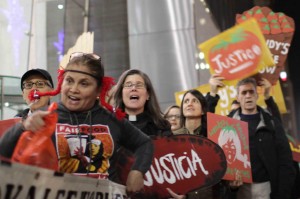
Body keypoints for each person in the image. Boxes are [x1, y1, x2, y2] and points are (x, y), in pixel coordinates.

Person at [0, 52, 154, 196]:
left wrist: (138, 171)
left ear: (98, 89)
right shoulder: (46, 117)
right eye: (69, 81)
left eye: (84, 84)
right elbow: (3, 152)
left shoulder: (112, 119)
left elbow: (144, 143)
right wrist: (22, 127)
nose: (74, 89)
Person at [228, 77, 295, 199]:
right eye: (243, 92)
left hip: (266, 187)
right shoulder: (226, 125)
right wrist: (212, 94)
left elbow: (285, 160)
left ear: (257, 95)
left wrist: (282, 193)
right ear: (237, 97)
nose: (248, 95)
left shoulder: (272, 123)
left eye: (251, 91)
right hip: (239, 188)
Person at [114, 69, 172, 136]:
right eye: (128, 85)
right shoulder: (109, 124)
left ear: (148, 95)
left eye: (139, 85)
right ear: (121, 94)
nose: (133, 88)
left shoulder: (162, 126)